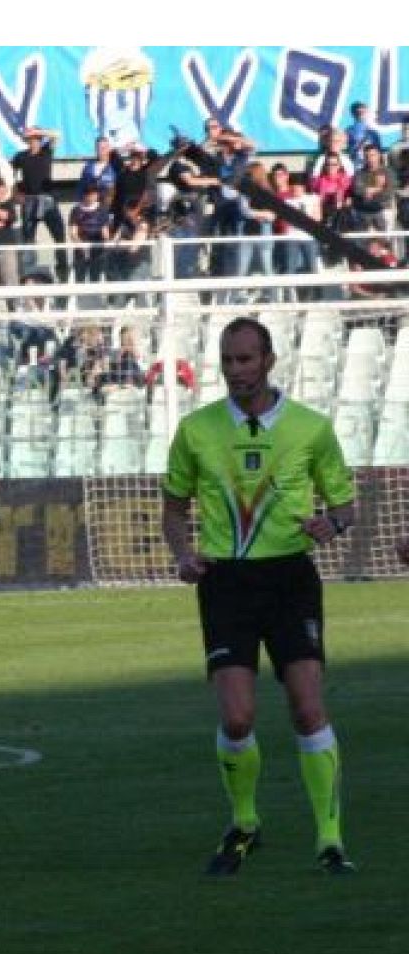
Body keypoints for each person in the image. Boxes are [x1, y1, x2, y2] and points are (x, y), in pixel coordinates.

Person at [159, 317, 357, 876]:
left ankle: (330, 839)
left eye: (246, 359)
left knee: (308, 706)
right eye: (228, 360)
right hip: (226, 583)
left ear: (269, 361)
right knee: (238, 717)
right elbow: (173, 508)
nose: (236, 370)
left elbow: (345, 505)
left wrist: (331, 525)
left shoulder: (310, 428)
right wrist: (182, 554)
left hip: (290, 579)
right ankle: (245, 824)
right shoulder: (196, 430)